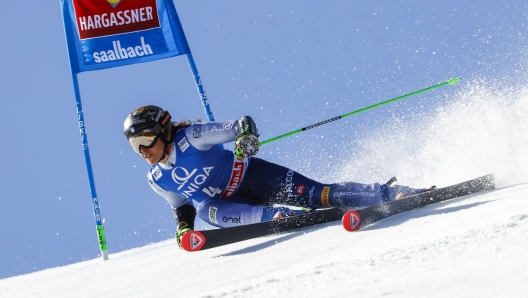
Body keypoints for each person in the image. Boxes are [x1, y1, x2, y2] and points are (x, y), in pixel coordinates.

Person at [124, 105, 431, 247]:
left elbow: (241, 123)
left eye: (145, 140)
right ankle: (276, 216)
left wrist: (245, 138)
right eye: (134, 145)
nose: (142, 150)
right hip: (229, 206)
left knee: (317, 196)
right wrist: (183, 229)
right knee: (206, 208)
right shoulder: (156, 179)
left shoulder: (191, 137)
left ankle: (392, 194)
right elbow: (182, 206)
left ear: (164, 129)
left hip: (255, 177)